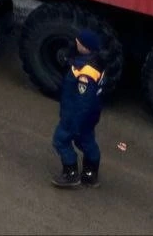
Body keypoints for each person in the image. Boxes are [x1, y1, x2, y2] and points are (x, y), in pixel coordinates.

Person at [51, 29, 106, 189]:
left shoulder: (85, 73)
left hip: (76, 115)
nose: (76, 43)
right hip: (90, 116)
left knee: (61, 140)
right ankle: (90, 173)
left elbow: (83, 101)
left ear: (85, 47)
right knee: (87, 141)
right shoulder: (96, 64)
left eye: (79, 42)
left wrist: (73, 123)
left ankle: (70, 173)